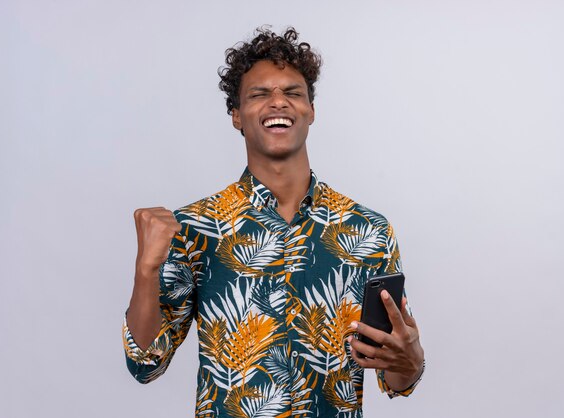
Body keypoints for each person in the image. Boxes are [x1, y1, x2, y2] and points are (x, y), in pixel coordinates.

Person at [123, 26, 425, 417]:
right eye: (260, 94)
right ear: (236, 115)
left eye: (293, 92)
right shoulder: (194, 228)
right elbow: (145, 364)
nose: (278, 102)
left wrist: (413, 360)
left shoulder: (368, 231)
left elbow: (396, 377)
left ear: (311, 110)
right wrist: (146, 271)